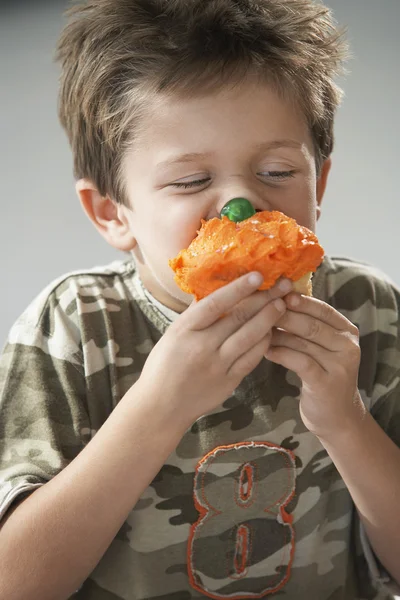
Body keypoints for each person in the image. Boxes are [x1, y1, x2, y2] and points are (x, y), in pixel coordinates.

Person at [0, 0, 399, 598]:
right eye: (190, 181)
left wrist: (345, 421)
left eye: (276, 170)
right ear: (113, 213)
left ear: (319, 183)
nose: (241, 203)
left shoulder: (368, 311)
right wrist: (160, 405)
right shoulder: (75, 327)